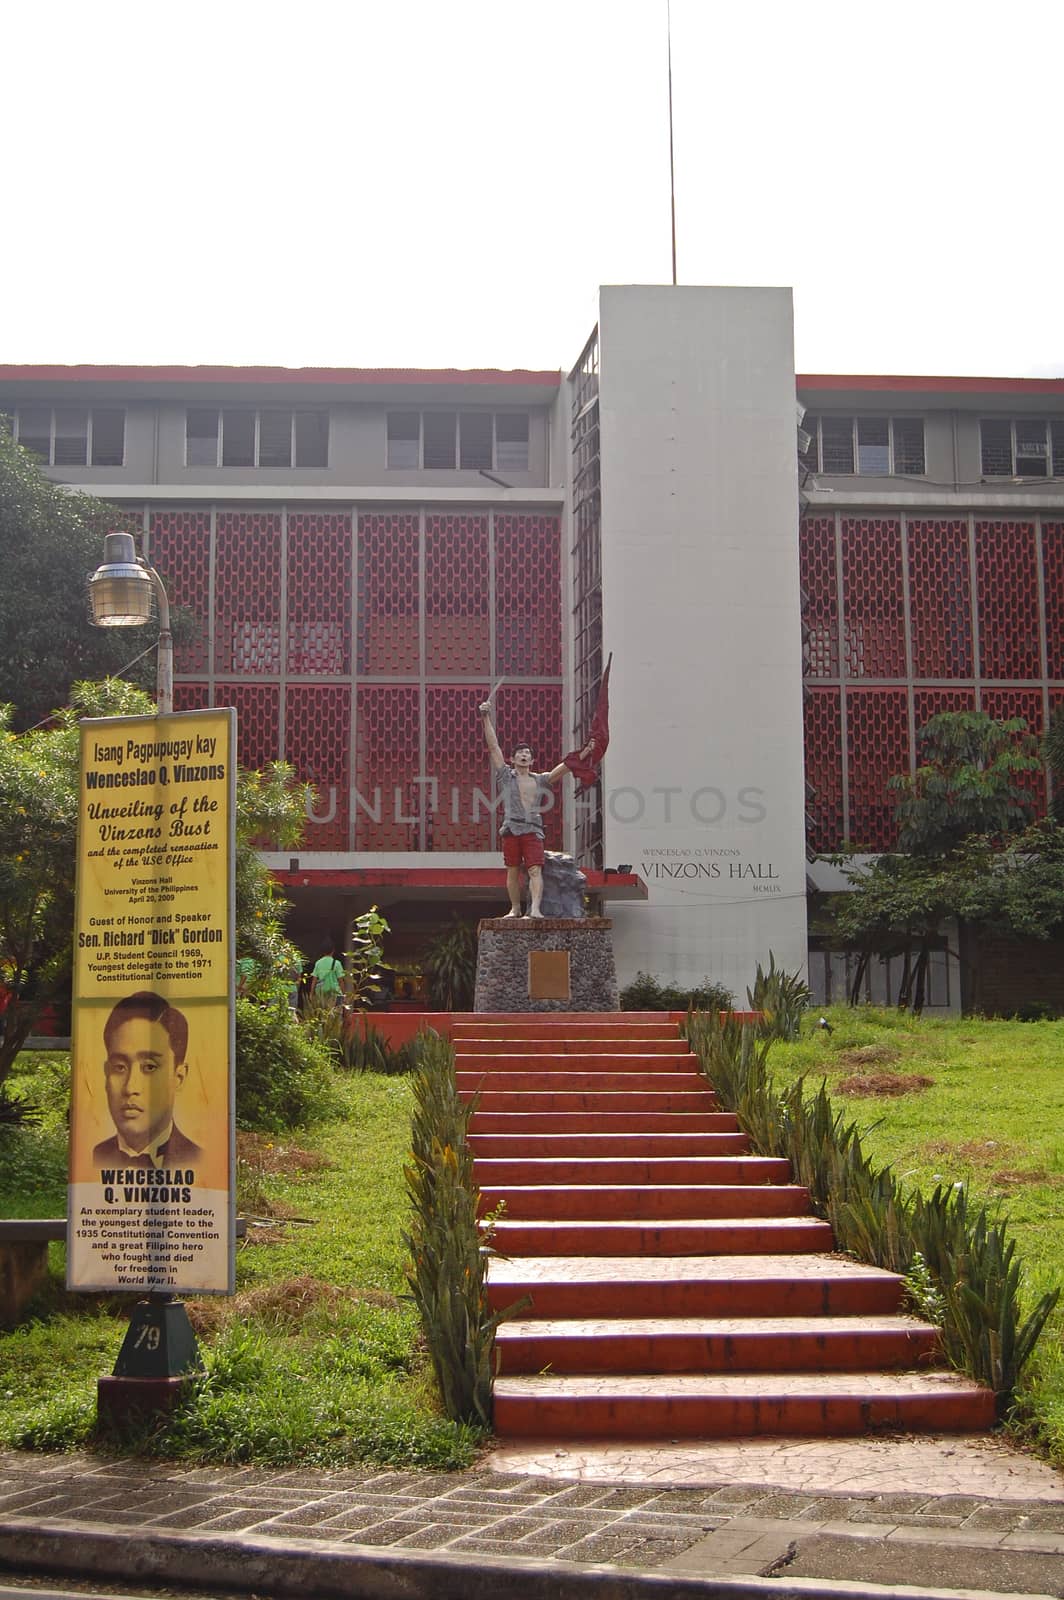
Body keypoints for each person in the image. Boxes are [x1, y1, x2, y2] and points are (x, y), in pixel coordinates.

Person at [478, 702, 592, 919]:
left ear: (532, 760)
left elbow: (565, 767)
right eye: (520, 753)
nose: (523, 755)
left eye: (527, 753)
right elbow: (494, 747)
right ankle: (515, 908)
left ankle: (536, 909)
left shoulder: (540, 780)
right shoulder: (506, 776)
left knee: (534, 870)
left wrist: (585, 751)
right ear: (513, 759)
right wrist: (485, 717)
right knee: (512, 870)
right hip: (511, 828)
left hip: (532, 830)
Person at [91, 991, 204, 1167]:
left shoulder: (199, 1161)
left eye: (149, 1067)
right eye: (119, 1068)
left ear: (179, 1076)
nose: (130, 1088)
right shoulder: (94, 1157)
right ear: (106, 1074)